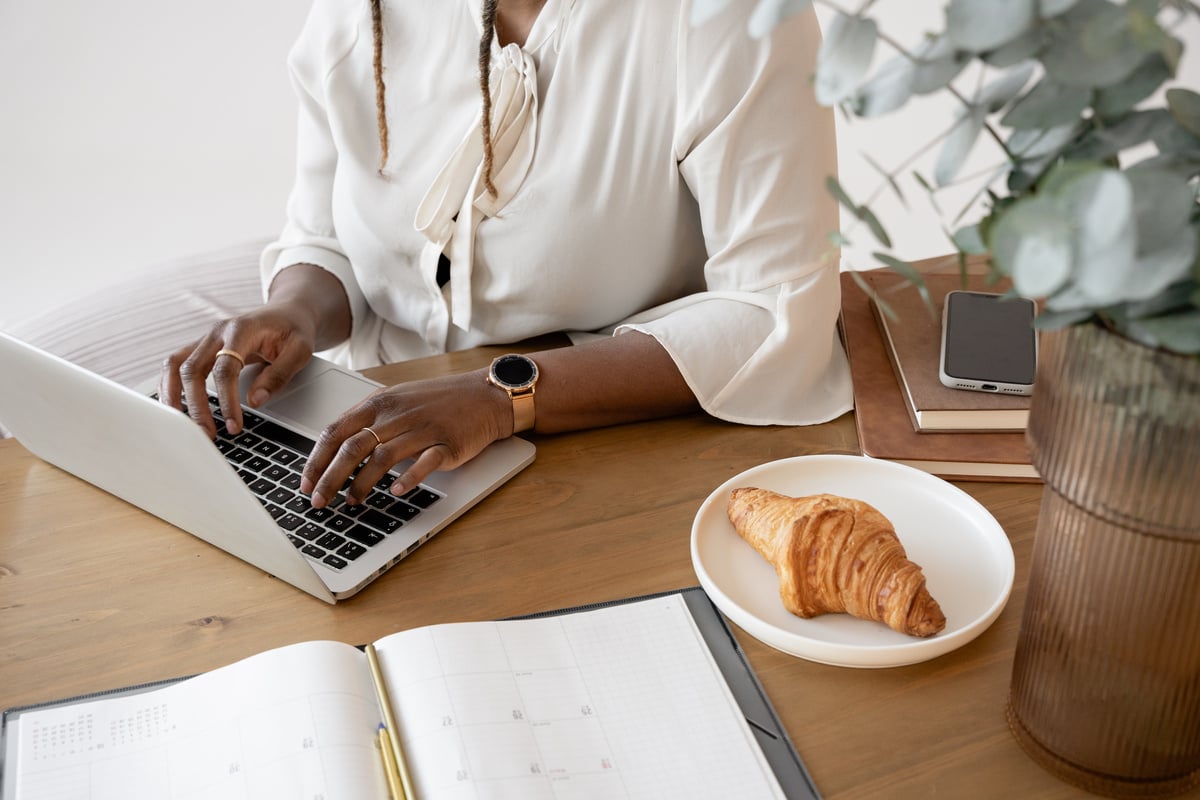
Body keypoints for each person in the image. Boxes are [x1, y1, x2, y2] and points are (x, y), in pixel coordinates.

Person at [158, 0, 852, 511]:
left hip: (604, 444)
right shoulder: (357, 14)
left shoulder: (731, 17)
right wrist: (295, 310)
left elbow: (776, 309)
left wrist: (498, 398)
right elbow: (327, 237)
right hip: (366, 434)